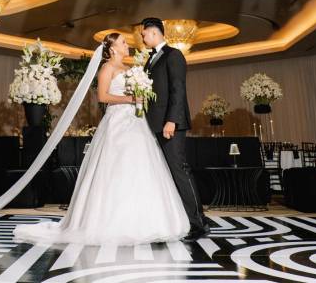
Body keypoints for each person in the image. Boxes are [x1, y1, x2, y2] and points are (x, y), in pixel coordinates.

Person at [13, 32, 190, 245]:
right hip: (117, 122)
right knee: (115, 168)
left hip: (136, 122)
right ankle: (111, 222)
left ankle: (149, 222)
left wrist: (141, 97)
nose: (127, 45)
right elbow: (103, 96)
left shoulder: (130, 68)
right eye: (123, 42)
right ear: (113, 48)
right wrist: (130, 98)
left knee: (141, 166)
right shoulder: (107, 68)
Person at [141, 17, 210, 240]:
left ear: (154, 32)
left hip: (169, 124)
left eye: (144, 33)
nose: (142, 37)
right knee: (165, 173)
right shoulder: (149, 60)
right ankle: (177, 220)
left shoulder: (174, 55)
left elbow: (178, 89)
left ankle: (198, 222)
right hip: (153, 125)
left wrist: (172, 120)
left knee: (179, 170)